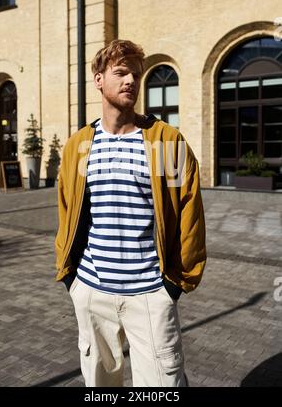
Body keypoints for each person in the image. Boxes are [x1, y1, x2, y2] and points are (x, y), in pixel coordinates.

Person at [55, 39, 206, 387]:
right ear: (98, 80)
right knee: (100, 385)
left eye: (136, 75)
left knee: (162, 386)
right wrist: (71, 278)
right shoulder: (79, 146)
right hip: (92, 292)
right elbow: (66, 209)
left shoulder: (165, 142)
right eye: (121, 73)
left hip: (151, 294)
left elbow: (190, 212)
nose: (130, 82)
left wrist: (174, 285)